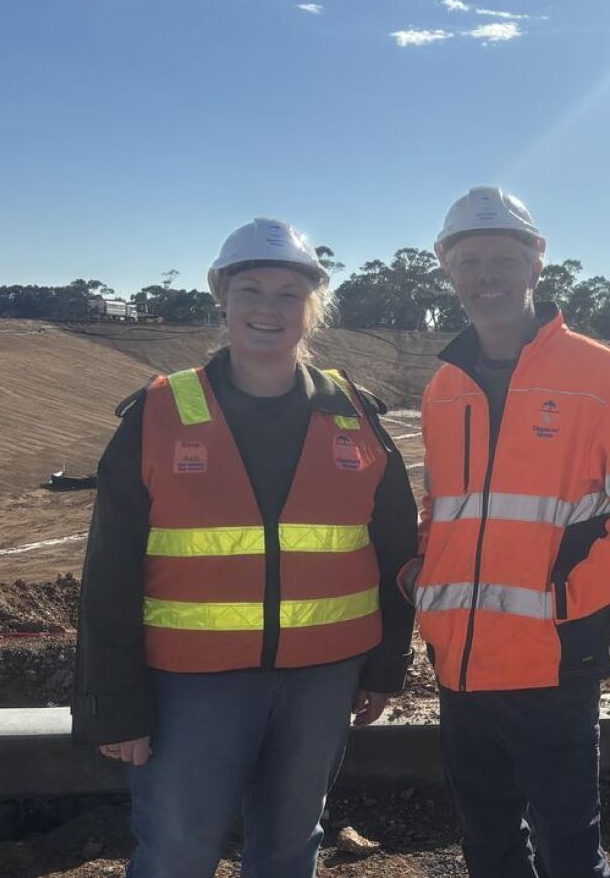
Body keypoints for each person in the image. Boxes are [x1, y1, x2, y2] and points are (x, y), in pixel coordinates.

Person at [71, 218, 418, 877]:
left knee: (291, 847)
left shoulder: (355, 412)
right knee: (178, 852)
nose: (268, 308)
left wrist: (383, 667)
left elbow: (396, 549)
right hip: (188, 687)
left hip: (323, 679)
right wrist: (114, 706)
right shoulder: (160, 412)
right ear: (222, 300)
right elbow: (109, 571)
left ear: (313, 307)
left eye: (290, 293)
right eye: (250, 288)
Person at [405, 187, 610, 877]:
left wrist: (572, 596)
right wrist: (424, 584)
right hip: (460, 660)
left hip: (552, 653)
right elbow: (442, 505)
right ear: (447, 269)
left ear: (536, 264)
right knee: (487, 840)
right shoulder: (443, 385)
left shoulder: (602, 375)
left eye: (504, 257)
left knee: (567, 848)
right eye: (469, 259)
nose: (486, 274)